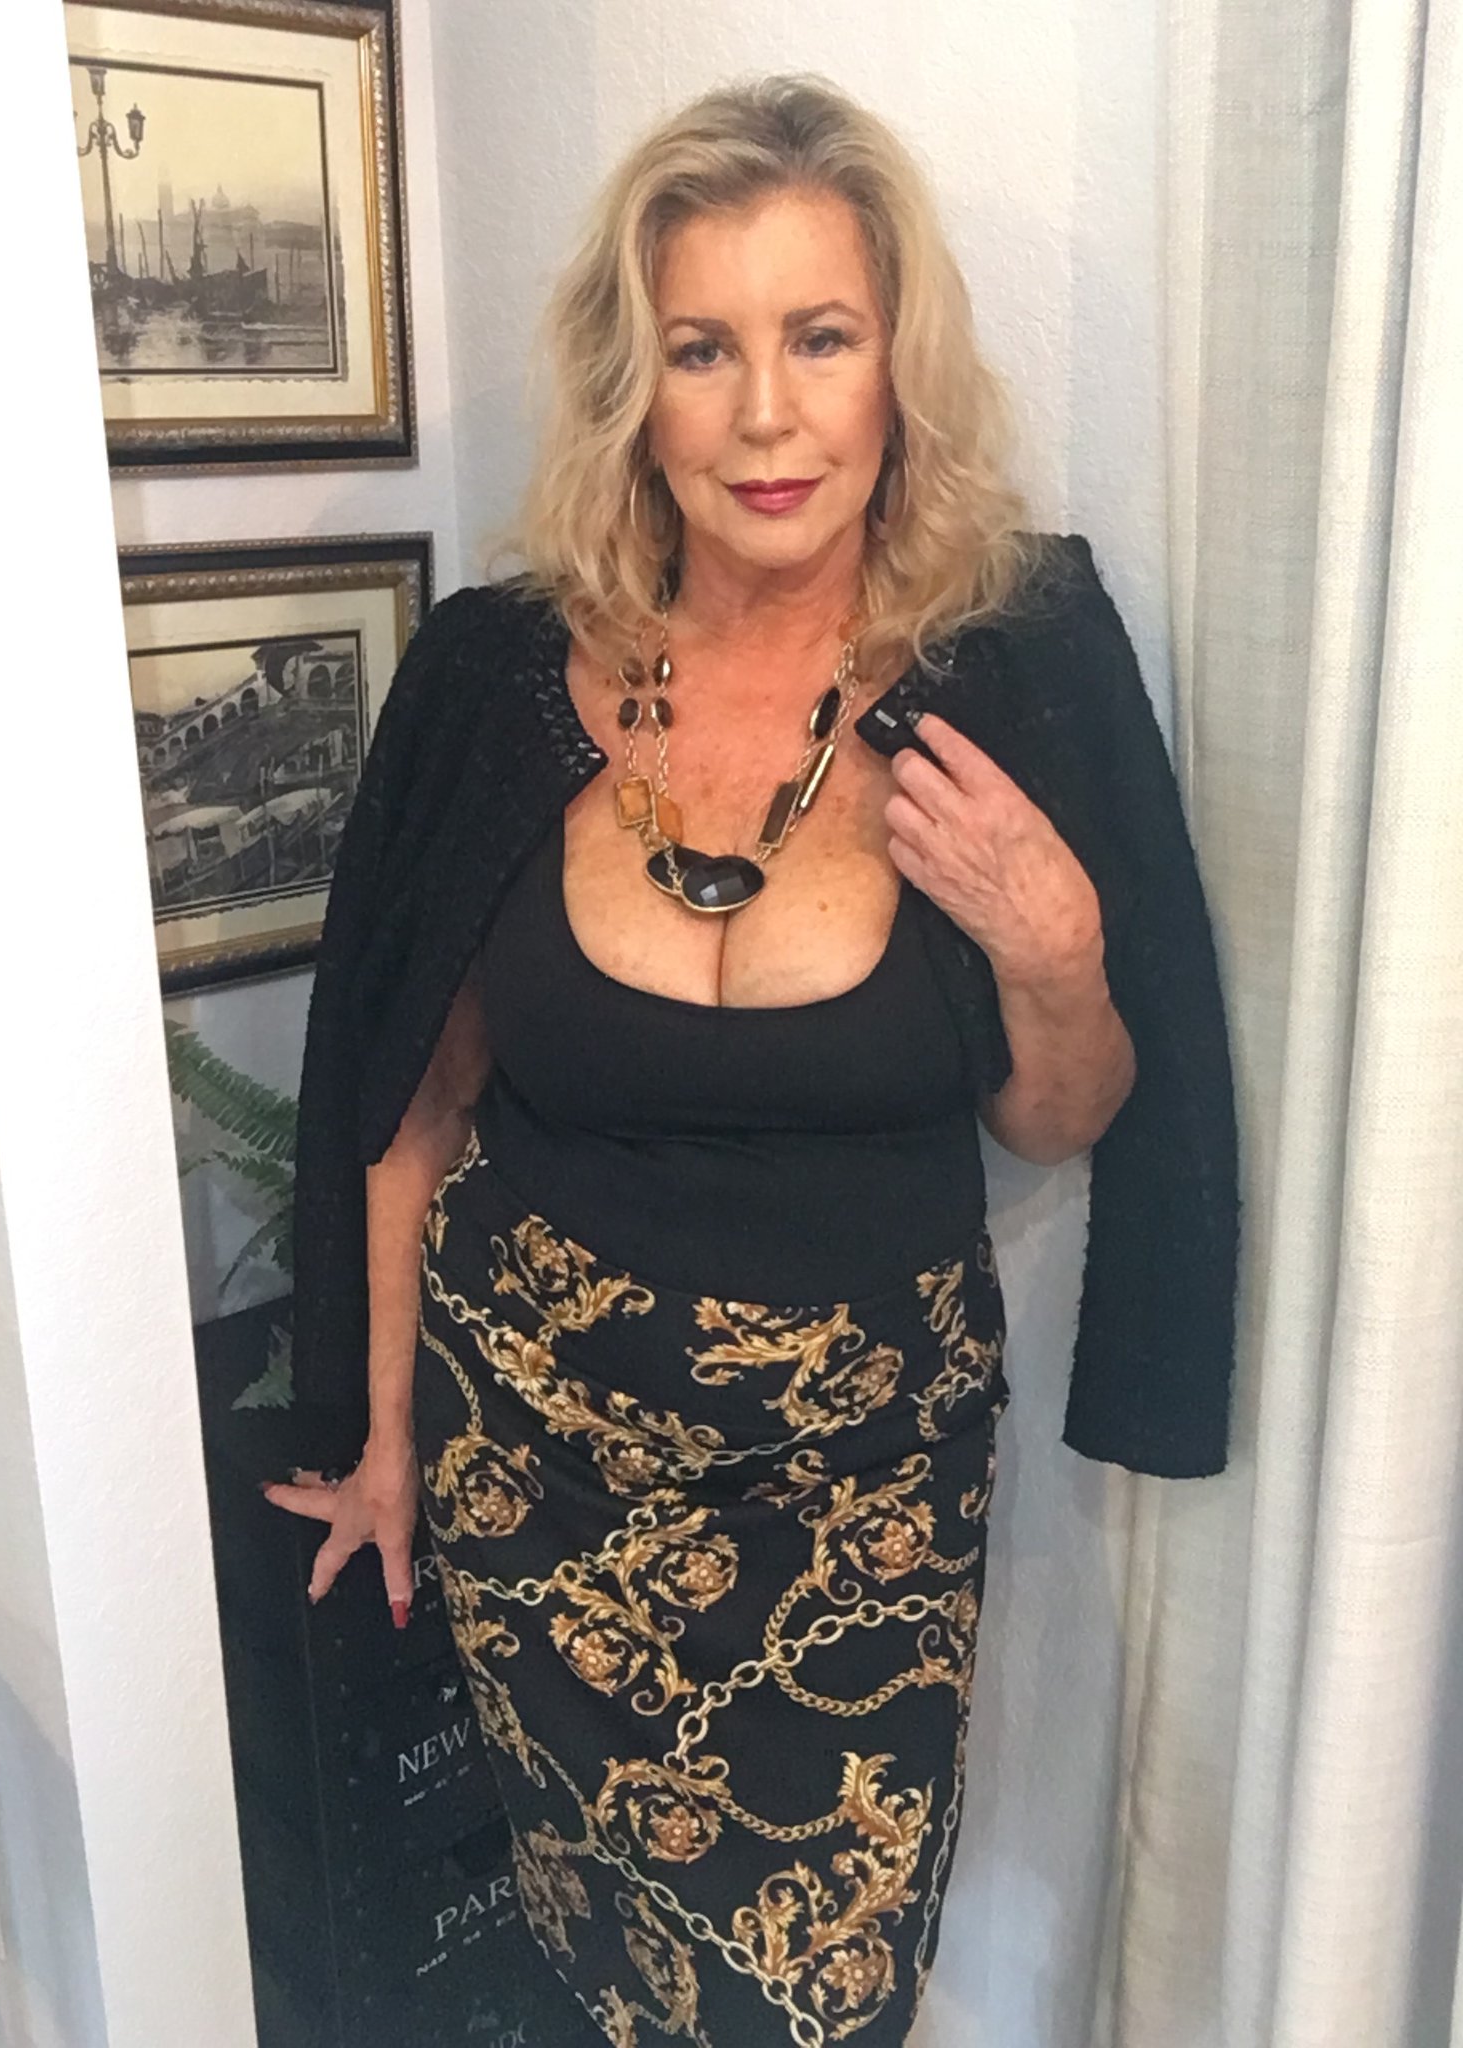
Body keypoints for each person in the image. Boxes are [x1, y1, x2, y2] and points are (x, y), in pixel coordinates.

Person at [265, 74, 1239, 2047]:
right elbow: (412, 1097)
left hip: (856, 1515)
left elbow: (1061, 1116)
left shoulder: (1019, 655)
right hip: (535, 1463)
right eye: (703, 349)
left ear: (899, 368)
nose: (767, 416)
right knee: (593, 1966)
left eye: (823, 337)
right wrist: (384, 1439)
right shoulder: (494, 673)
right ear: (636, 390)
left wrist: (1057, 950)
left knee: (822, 1991)